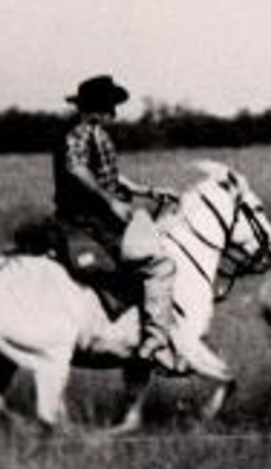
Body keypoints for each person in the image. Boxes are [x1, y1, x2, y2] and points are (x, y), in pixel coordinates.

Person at [53, 74, 184, 370]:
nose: (114, 112)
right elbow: (76, 169)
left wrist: (147, 191)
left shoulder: (93, 132)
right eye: (110, 106)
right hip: (86, 224)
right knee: (160, 265)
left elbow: (109, 177)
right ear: (99, 107)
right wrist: (109, 200)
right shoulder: (80, 132)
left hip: (94, 220)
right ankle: (155, 343)